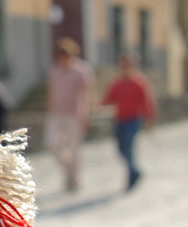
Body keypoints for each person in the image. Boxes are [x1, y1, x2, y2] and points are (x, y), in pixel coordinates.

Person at [101, 51, 157, 190]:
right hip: (119, 119)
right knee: (120, 149)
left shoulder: (139, 82)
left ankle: (131, 177)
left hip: (133, 119)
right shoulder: (117, 83)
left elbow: (147, 102)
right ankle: (135, 171)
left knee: (129, 148)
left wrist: (149, 119)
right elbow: (108, 99)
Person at [45, 38, 93, 191]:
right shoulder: (54, 71)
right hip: (56, 114)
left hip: (75, 114)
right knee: (51, 143)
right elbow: (51, 92)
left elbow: (87, 94)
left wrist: (86, 115)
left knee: (74, 149)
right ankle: (69, 172)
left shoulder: (81, 70)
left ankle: (74, 179)